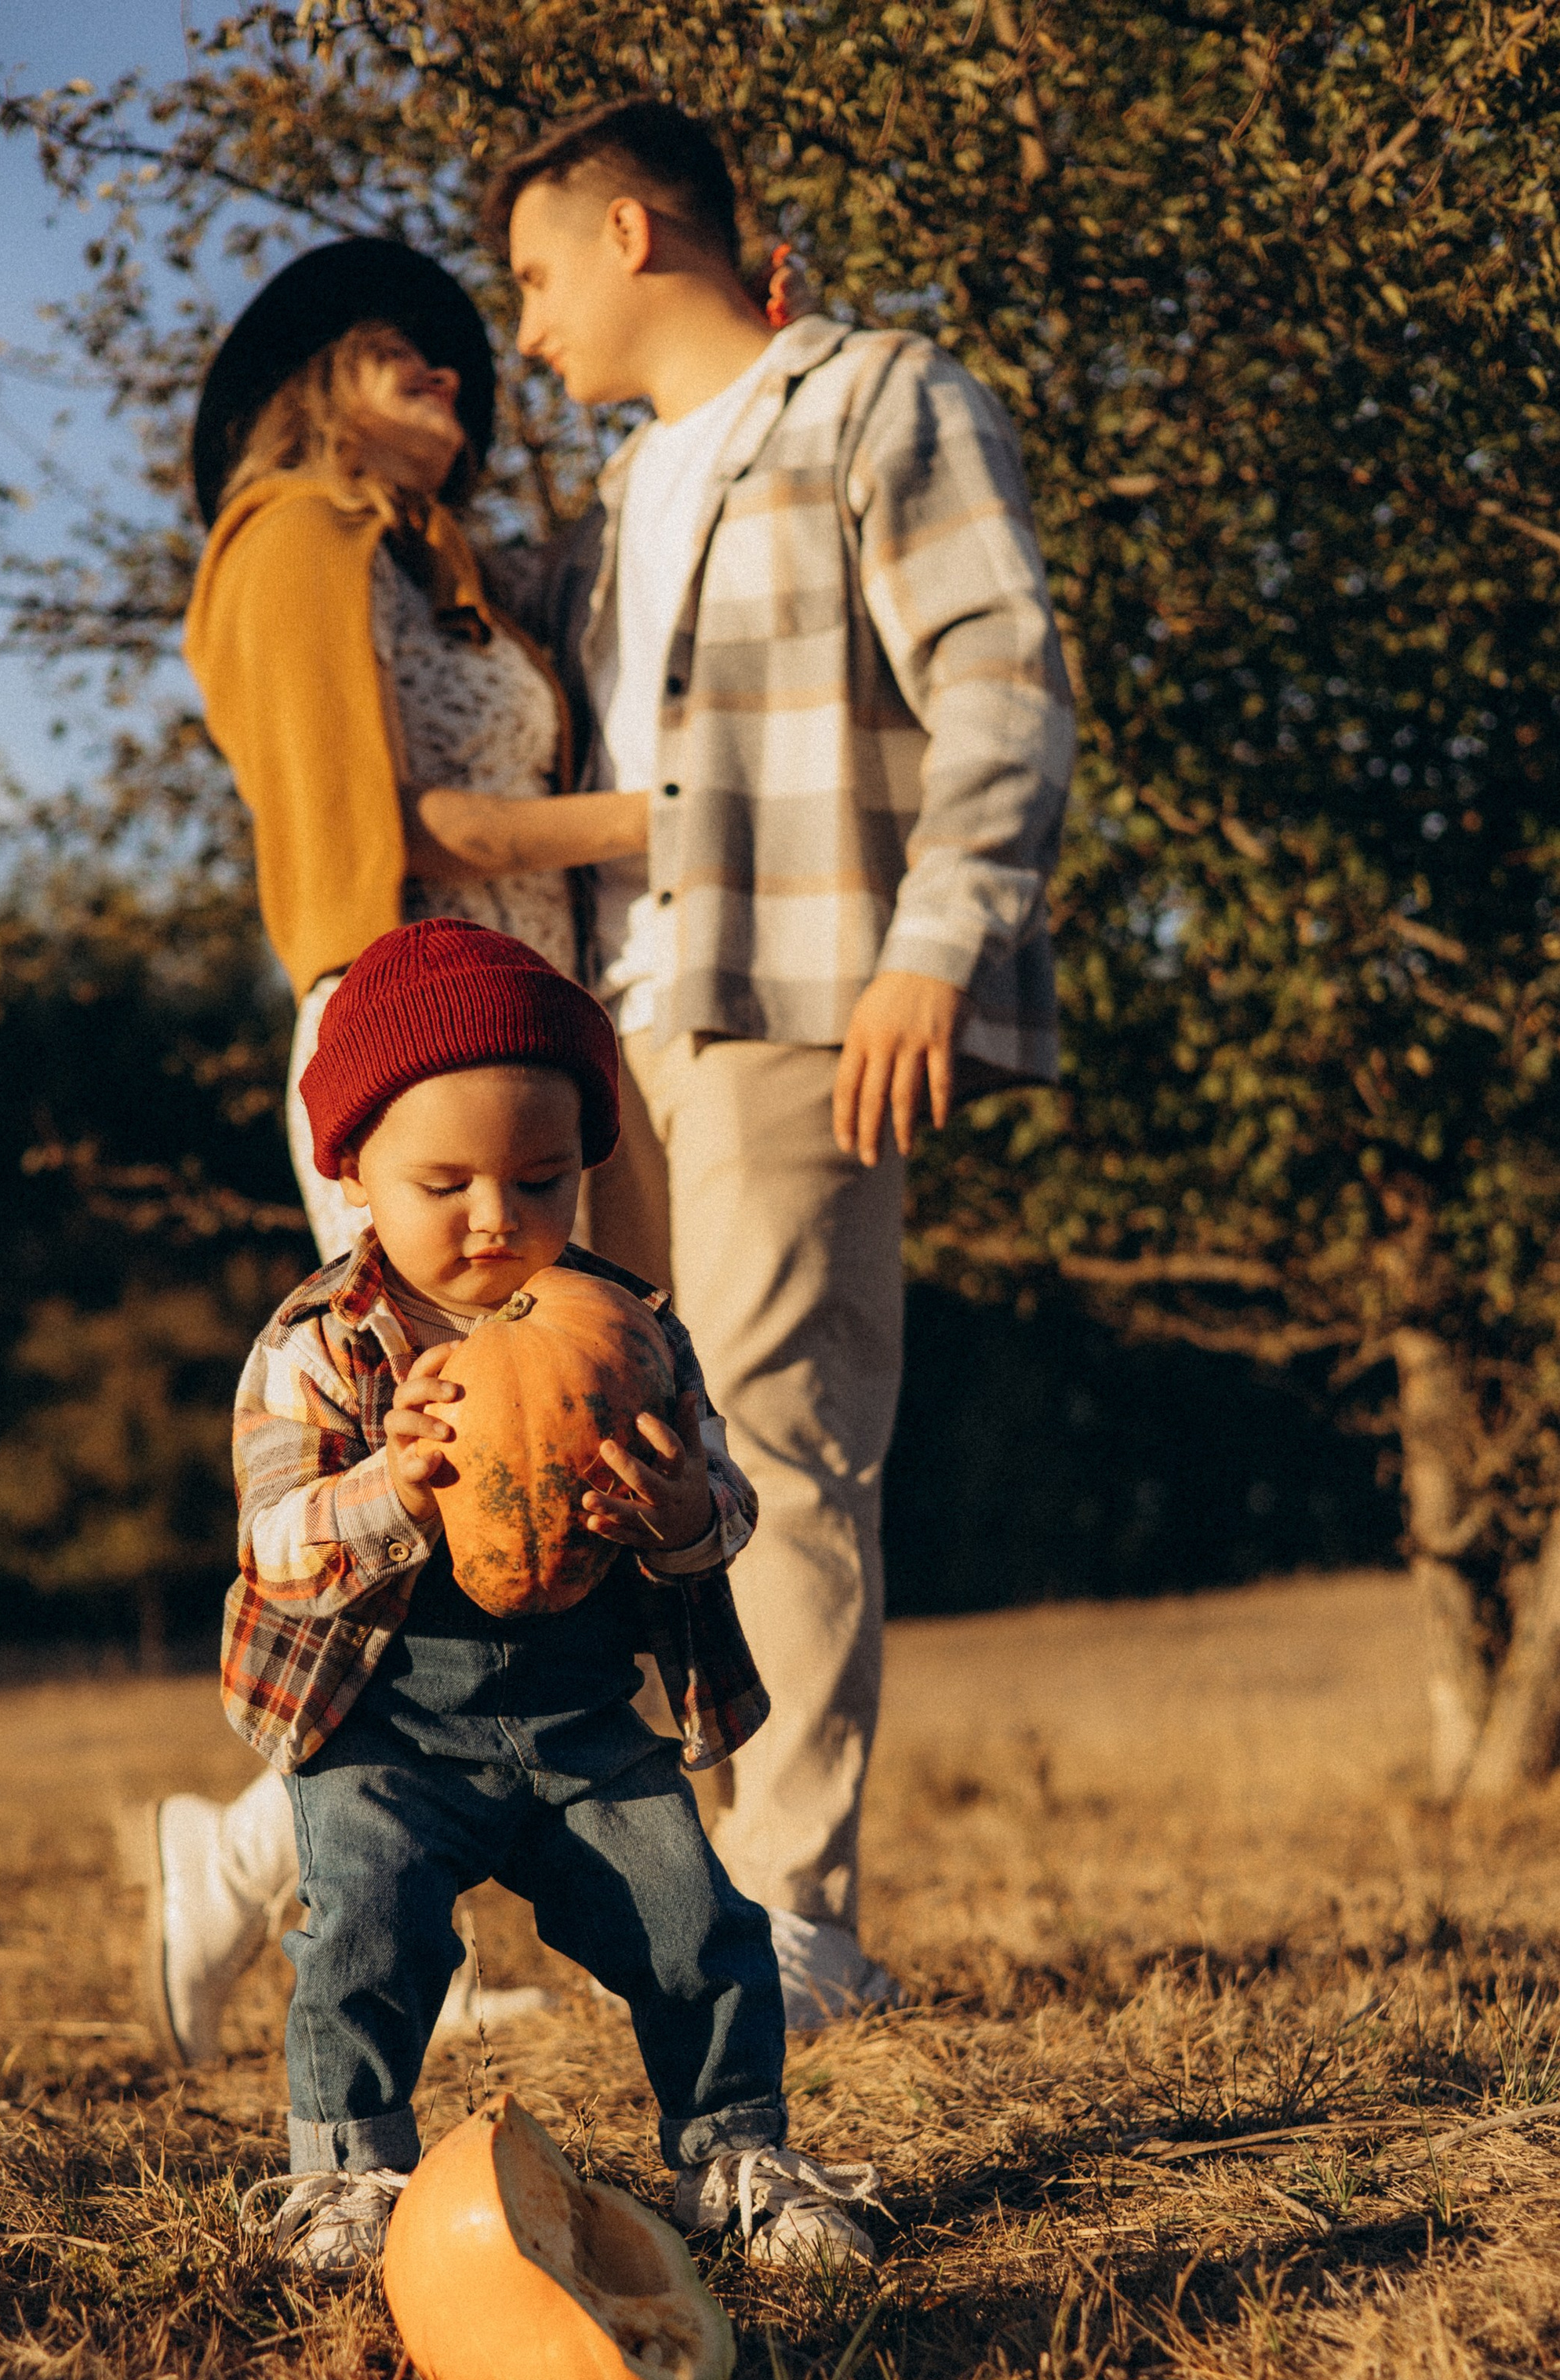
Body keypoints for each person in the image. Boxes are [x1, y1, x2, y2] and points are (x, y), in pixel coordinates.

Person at [485, 103, 1077, 2024]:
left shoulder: (874, 401)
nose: (526, 327)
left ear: (635, 231)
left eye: (534, 275)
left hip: (801, 984)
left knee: (783, 1440)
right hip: (623, 1023)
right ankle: (688, 1905)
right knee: (627, 1452)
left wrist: (935, 943)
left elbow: (998, 677)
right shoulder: (621, 503)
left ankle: (793, 1909)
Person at [133, 240, 647, 2063]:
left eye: (458, 358)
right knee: (429, 1449)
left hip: (525, 1035)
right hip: (406, 1047)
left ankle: (303, 1864)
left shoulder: (446, 577)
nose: (447, 373)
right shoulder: (286, 535)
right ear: (316, 379)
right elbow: (393, 823)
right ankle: (298, 1856)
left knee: (543, 1451)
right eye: (398, 353)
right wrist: (670, 819)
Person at [227, 915, 884, 2277]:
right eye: (444, 1182)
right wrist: (392, 1492)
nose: (494, 1218)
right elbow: (274, 1546)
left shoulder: (629, 1331)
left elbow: (728, 1500)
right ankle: (348, 2174)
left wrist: (684, 1519)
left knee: (698, 1920)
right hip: (389, 1733)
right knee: (362, 1924)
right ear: (351, 1172)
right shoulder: (316, 1348)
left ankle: (736, 2152)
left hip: (578, 1719)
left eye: (540, 1180)